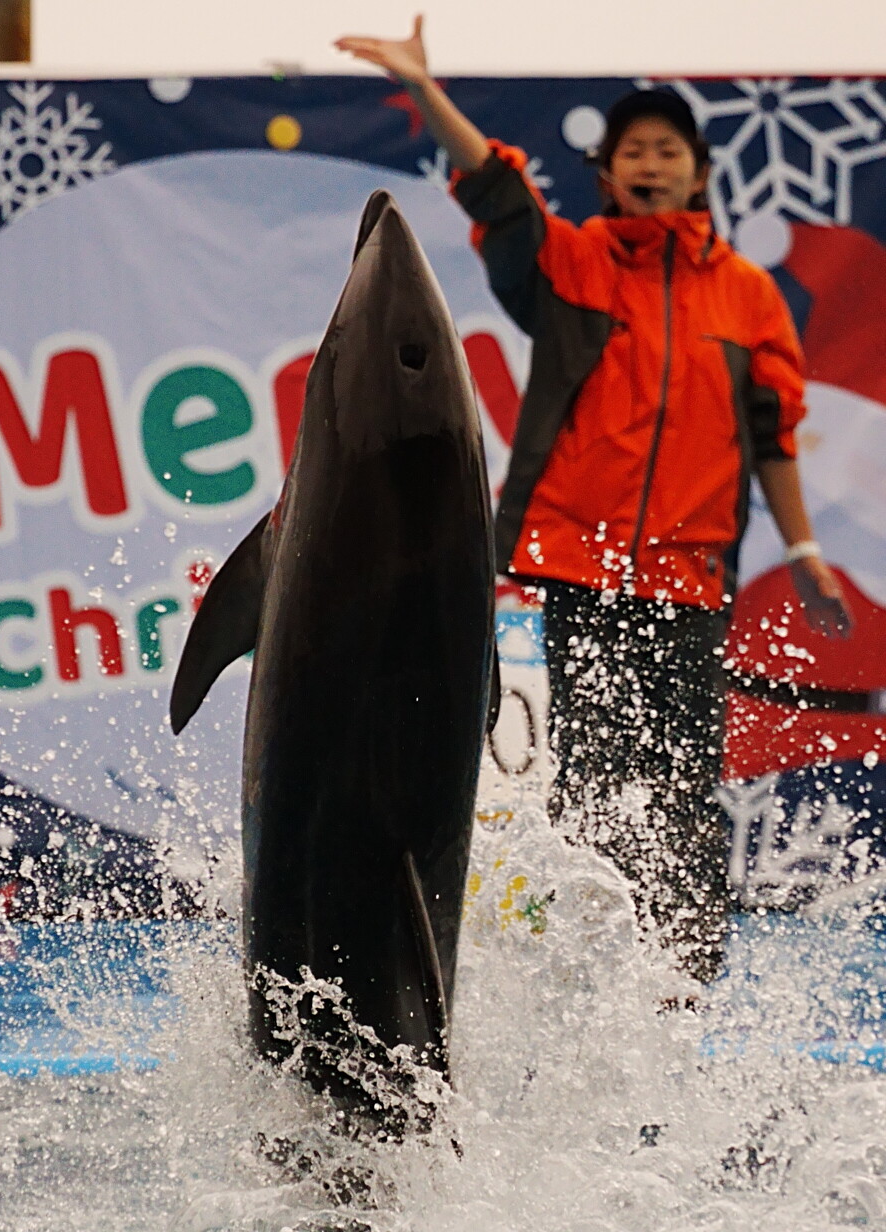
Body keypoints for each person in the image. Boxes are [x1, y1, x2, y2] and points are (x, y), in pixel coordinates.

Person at [334, 19, 852, 985]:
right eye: (632, 151)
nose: (650, 162)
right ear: (607, 173)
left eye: (668, 150)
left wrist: (806, 547)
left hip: (691, 580)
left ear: (698, 173)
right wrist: (425, 88)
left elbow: (773, 434)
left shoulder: (748, 296)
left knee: (684, 787)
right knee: (601, 781)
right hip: (585, 567)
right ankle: (597, 969)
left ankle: (685, 980)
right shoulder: (576, 268)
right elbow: (495, 184)